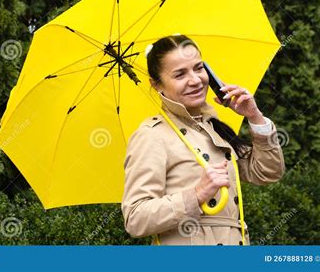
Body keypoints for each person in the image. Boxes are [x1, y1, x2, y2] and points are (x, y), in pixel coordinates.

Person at [121, 34, 285, 245]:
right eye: (180, 74)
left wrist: (255, 117)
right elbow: (136, 218)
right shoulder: (152, 135)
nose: (195, 80)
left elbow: (267, 172)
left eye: (199, 68)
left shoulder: (214, 128)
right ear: (156, 85)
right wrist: (196, 195)